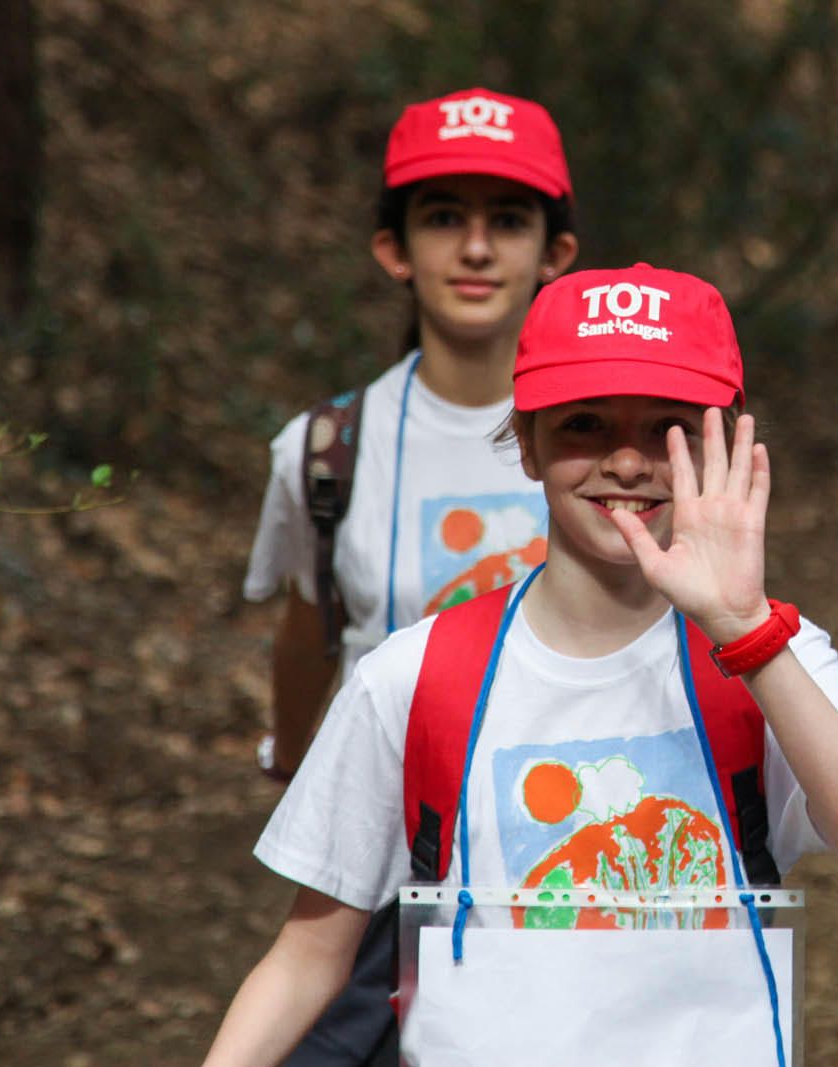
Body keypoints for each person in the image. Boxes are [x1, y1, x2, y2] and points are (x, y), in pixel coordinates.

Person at [203, 263, 838, 1067]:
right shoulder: (413, 676)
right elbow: (310, 955)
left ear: (720, 440)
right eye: (584, 424)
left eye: (668, 428)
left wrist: (743, 627)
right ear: (525, 442)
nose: (626, 462)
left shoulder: (770, 657)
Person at [237, 88, 580, 1065]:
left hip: (559, 863)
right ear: (394, 249)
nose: (476, 249)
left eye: (507, 220)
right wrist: (297, 762)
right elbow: (310, 628)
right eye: (444, 218)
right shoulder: (324, 451)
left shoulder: (611, 448)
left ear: (555, 252)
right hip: (386, 879)